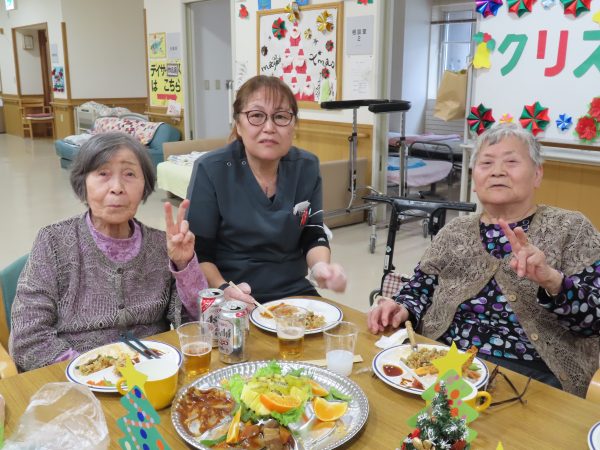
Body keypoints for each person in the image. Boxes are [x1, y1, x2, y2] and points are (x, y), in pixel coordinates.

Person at [367, 123, 600, 397]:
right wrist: (402, 307)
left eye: (511, 162)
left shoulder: (571, 229)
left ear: (537, 174)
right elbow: (419, 289)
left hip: (530, 373)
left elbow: (594, 320)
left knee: (465, 420)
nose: (497, 171)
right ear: (474, 178)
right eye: (486, 163)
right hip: (442, 359)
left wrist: (554, 282)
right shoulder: (454, 231)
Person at [10, 132, 207, 371]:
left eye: (129, 174)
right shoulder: (53, 242)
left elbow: (198, 327)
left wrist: (184, 265)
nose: (117, 188)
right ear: (83, 183)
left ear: (145, 185)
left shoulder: (160, 245)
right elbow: (28, 340)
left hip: (152, 374)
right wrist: (97, 371)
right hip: (77, 380)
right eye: (103, 173)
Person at [186, 75, 346, 304]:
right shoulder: (212, 169)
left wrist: (321, 268)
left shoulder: (306, 166)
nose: (269, 128)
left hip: (295, 291)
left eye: (280, 116)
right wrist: (225, 290)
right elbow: (200, 252)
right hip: (233, 296)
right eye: (257, 116)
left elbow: (313, 233)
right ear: (238, 124)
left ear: (293, 125)